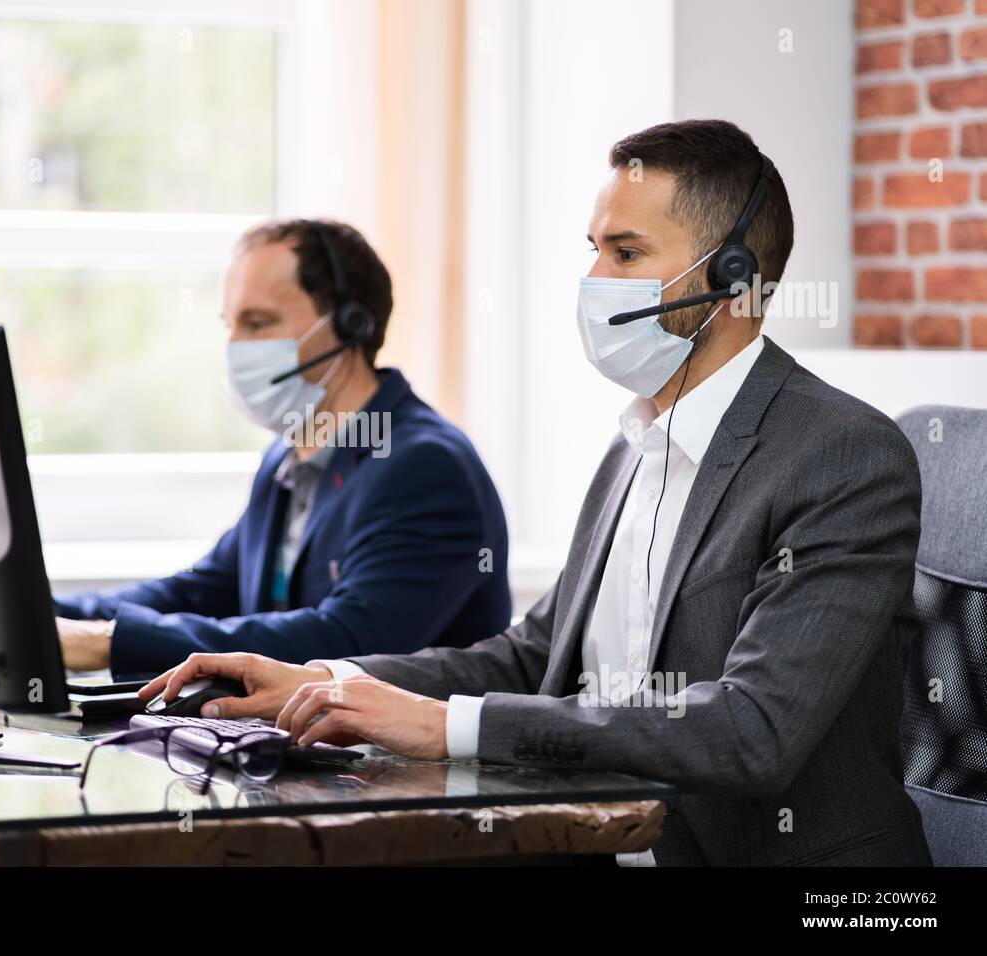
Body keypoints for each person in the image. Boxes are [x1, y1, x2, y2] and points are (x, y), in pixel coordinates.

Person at [139, 121, 933, 867]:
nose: (593, 281)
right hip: (594, 844)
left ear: (731, 280)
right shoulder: (637, 444)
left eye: (625, 253)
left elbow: (752, 729)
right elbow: (530, 658)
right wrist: (327, 679)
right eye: (593, 250)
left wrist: (445, 726)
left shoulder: (842, 457)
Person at [55, 218, 511, 679]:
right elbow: (202, 590)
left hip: (398, 752)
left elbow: (345, 640)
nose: (234, 347)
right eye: (230, 325)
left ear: (350, 324)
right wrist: (42, 614)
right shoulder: (287, 456)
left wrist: (108, 644)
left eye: (258, 323)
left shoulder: (425, 467)